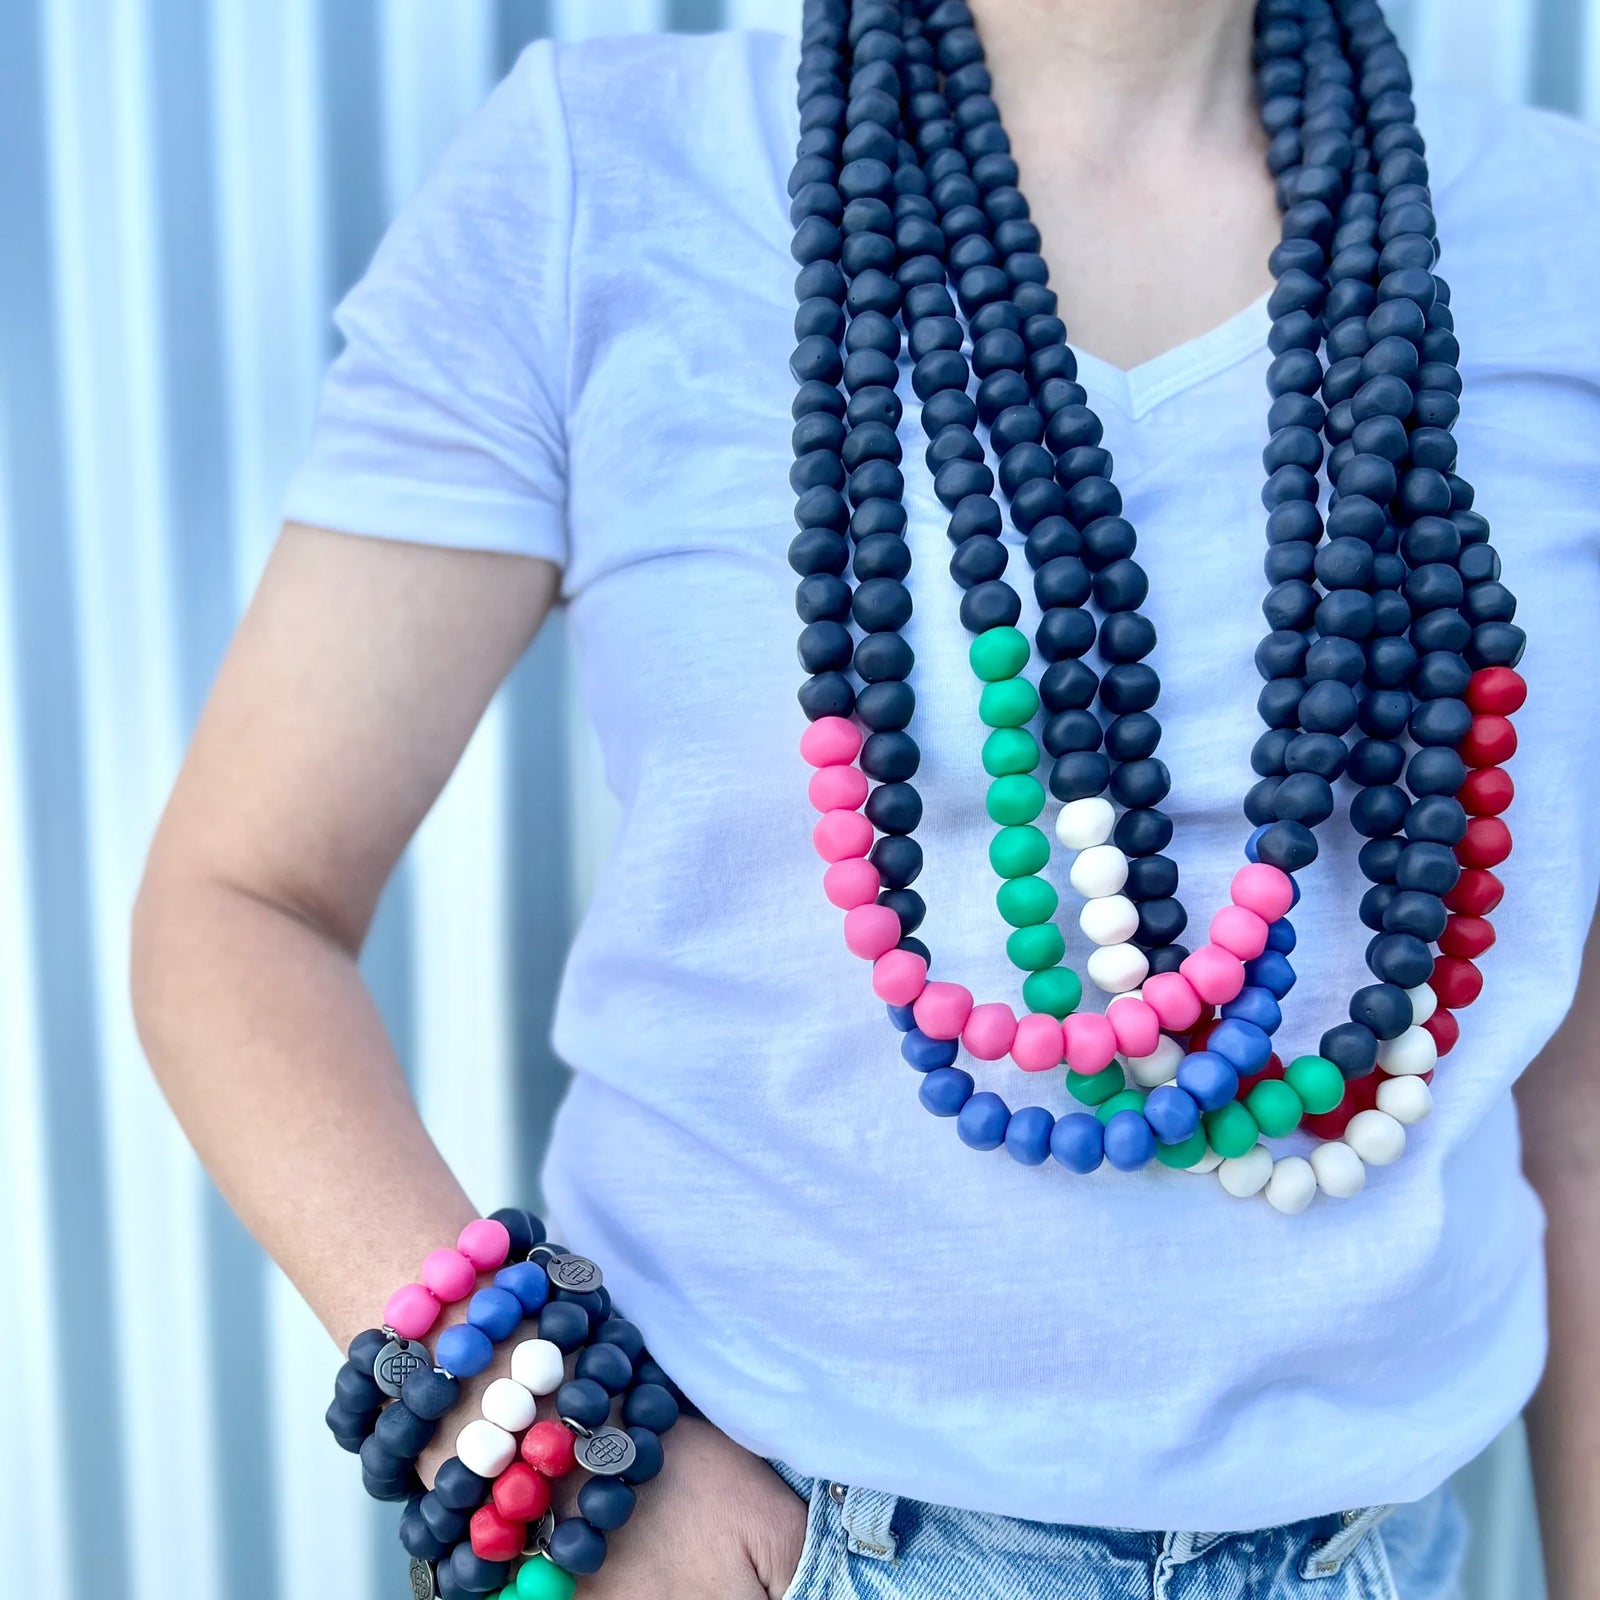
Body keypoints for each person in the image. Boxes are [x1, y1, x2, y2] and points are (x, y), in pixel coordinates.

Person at [130, 0, 1600, 1595]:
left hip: (1386, 1550)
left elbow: (1576, 1109)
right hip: (755, 1529)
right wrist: (546, 1446)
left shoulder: (1559, 237)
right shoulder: (602, 177)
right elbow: (241, 900)